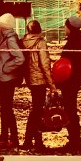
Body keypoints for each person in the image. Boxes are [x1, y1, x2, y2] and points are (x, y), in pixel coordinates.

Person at [21, 19, 56, 151]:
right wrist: (51, 84)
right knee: (37, 111)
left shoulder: (23, 42)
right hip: (40, 80)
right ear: (39, 29)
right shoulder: (40, 43)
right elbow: (45, 64)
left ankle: (33, 140)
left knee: (36, 110)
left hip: (30, 79)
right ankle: (31, 140)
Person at [0, 13, 25, 148]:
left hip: (7, 79)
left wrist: (6, 67)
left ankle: (12, 137)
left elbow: (20, 58)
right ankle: (5, 136)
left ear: (2, 25)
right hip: (4, 78)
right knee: (5, 109)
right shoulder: (7, 37)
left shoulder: (10, 40)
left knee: (7, 109)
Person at [57, 14, 81, 153]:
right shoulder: (80, 40)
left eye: (65, 26)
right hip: (73, 79)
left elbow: (67, 62)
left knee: (70, 110)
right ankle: (74, 139)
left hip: (69, 80)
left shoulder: (73, 43)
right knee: (70, 109)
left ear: (69, 27)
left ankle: (75, 140)